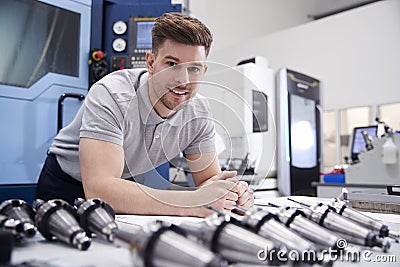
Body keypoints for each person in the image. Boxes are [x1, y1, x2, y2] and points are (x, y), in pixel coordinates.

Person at [36, 12, 254, 216]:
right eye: (172, 64)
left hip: (121, 186)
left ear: (204, 71)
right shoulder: (112, 95)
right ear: (151, 62)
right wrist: (189, 203)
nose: (183, 80)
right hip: (66, 184)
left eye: (194, 68)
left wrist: (229, 193)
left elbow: (207, 180)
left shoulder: (199, 113)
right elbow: (100, 189)